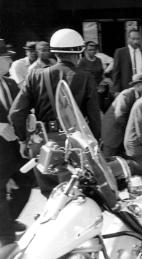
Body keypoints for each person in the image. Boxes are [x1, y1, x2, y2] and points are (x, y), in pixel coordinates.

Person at [9, 28, 101, 198]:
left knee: (51, 197)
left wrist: (23, 139)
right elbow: (95, 117)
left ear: (55, 52)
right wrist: (95, 143)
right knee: (74, 196)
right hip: (73, 144)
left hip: (43, 143)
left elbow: (15, 113)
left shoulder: (34, 76)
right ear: (79, 53)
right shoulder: (85, 77)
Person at [0, 43, 34, 247]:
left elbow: (21, 108)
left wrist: (29, 119)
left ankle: (7, 221)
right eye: (6, 58)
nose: (11, 61)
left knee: (26, 184)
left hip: (13, 149)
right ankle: (6, 236)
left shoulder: (11, 84)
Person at [101, 73, 142, 157]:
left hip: (122, 133)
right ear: (139, 85)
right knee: (108, 159)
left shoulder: (141, 96)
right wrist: (131, 128)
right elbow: (119, 116)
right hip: (113, 132)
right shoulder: (126, 95)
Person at [112, 29, 142, 94]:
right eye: (133, 38)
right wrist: (116, 90)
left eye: (138, 39)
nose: (136, 41)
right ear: (128, 39)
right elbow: (116, 72)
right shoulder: (120, 52)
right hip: (126, 90)